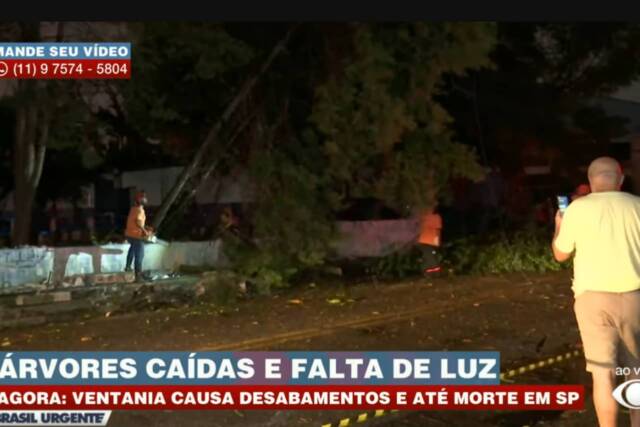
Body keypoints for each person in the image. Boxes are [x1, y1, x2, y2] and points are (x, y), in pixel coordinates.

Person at [552, 157, 640, 427]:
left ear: (590, 182)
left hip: (592, 300)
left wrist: (558, 224)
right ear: (620, 180)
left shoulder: (577, 209)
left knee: (603, 375)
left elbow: (560, 255)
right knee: (636, 374)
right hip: (635, 296)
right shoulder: (637, 205)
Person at [124, 191, 152, 282]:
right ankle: (138, 277)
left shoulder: (133, 209)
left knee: (132, 249)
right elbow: (138, 222)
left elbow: (135, 221)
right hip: (136, 235)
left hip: (129, 234)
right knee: (139, 255)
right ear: (140, 200)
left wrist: (146, 227)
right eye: (143, 197)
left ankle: (128, 267)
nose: (145, 199)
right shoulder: (140, 209)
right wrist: (145, 232)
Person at [417, 208, 442, 275]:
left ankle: (430, 272)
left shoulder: (434, 217)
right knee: (429, 257)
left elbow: (437, 231)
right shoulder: (423, 217)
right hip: (424, 241)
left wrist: (437, 241)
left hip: (429, 241)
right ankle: (432, 272)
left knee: (429, 256)